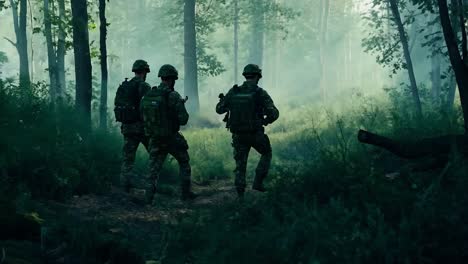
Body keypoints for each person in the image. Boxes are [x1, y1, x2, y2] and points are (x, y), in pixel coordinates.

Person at [216, 64, 279, 198]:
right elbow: (274, 113)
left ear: (245, 76)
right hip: (255, 133)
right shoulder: (260, 93)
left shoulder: (234, 91)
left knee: (240, 165)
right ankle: (258, 182)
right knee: (266, 152)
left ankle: (240, 196)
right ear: (257, 76)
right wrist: (264, 121)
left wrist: (224, 101)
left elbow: (219, 109)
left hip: (238, 135)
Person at [140, 64, 196, 203]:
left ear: (161, 78)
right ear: (172, 79)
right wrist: (180, 105)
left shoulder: (149, 94)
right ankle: (185, 195)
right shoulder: (173, 95)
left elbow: (143, 115)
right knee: (184, 162)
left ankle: (148, 199)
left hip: (155, 138)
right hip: (171, 138)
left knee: (153, 169)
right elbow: (184, 120)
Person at [114, 60, 152, 192]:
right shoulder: (144, 86)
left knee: (127, 159)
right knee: (155, 155)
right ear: (144, 72)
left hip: (127, 127)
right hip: (142, 128)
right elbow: (149, 106)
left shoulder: (125, 85)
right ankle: (152, 185)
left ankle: (124, 188)